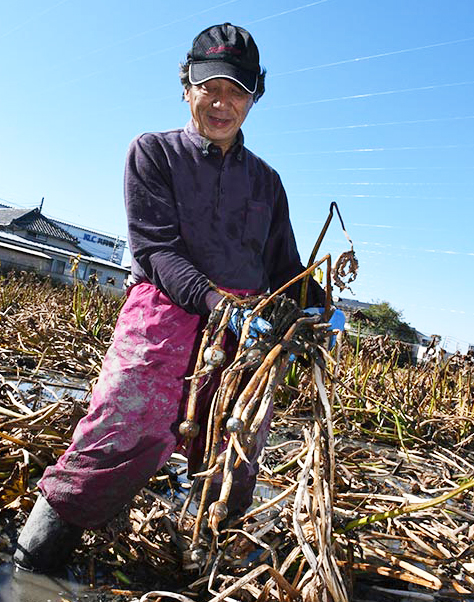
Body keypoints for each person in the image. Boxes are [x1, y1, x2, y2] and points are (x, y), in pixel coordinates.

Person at [14, 22, 333, 573]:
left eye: (237, 90)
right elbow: (157, 250)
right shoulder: (153, 152)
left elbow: (285, 266)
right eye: (210, 86)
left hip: (245, 338)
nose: (222, 102)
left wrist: (321, 307)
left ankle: (203, 568)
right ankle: (31, 565)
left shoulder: (267, 183)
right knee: (120, 430)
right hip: (164, 314)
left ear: (257, 96)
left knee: (233, 453)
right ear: (186, 84)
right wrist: (217, 305)